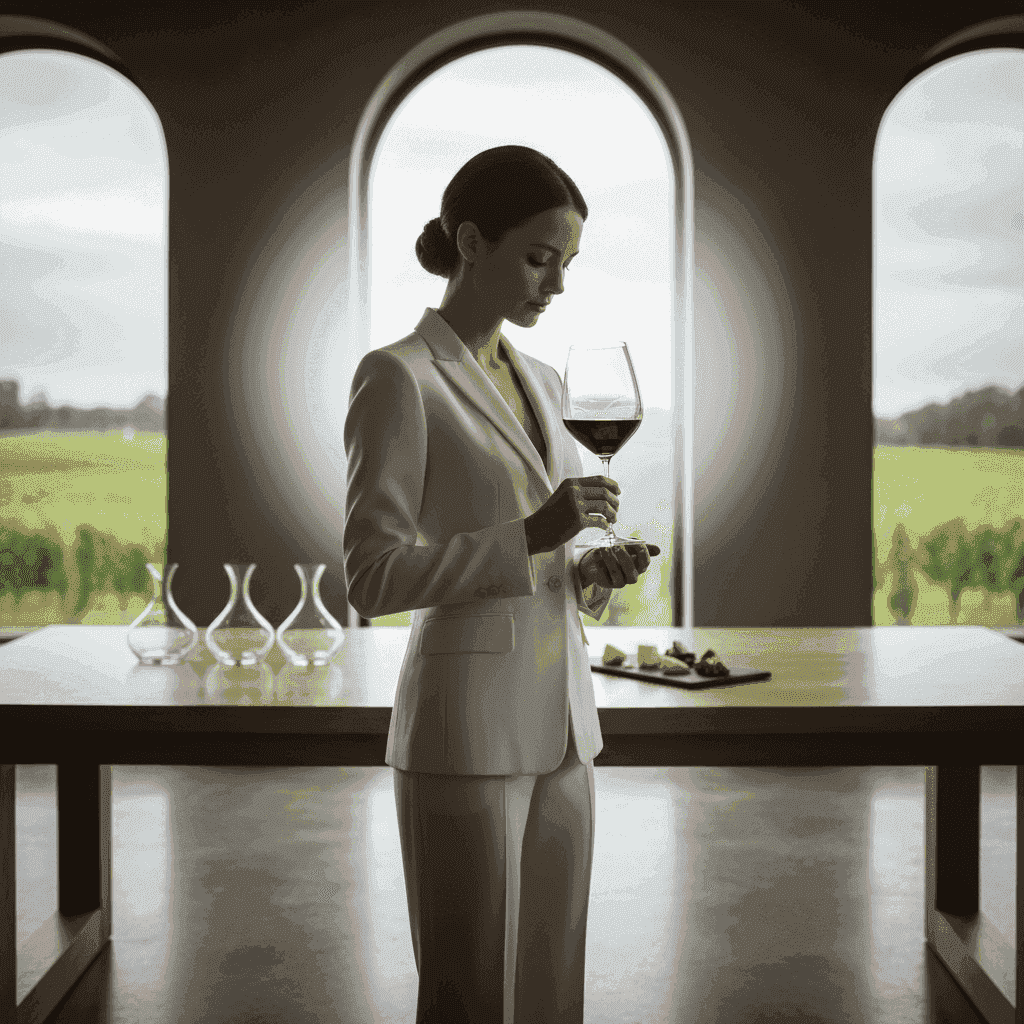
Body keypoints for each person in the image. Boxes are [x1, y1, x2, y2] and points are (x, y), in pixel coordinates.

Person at [342, 145, 660, 1024]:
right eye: (537, 257)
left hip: (565, 729)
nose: (554, 285)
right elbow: (371, 576)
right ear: (470, 240)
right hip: (464, 729)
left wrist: (588, 568)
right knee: (468, 989)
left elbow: (543, 562)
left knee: (555, 987)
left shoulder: (548, 381)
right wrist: (533, 534)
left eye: (567, 263)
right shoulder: (398, 377)